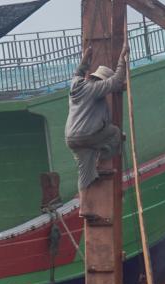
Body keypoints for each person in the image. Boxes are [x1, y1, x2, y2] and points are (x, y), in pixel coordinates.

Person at [65, 42, 129, 218]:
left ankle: (84, 208)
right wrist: (123, 59)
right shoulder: (95, 88)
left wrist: (85, 59)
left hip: (71, 138)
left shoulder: (75, 86)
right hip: (88, 135)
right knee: (116, 133)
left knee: (84, 174)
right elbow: (116, 82)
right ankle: (103, 158)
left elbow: (77, 73)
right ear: (100, 79)